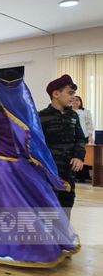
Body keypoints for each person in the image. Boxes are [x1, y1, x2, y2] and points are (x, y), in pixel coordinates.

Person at [0, 70, 79, 267]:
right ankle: (42, 247)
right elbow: (34, 141)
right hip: (21, 165)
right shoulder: (25, 110)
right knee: (32, 203)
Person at [39, 74, 85, 219]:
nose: (73, 97)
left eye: (74, 94)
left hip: (69, 170)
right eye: (70, 93)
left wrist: (79, 156)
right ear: (56, 94)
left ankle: (63, 231)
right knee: (47, 204)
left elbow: (80, 138)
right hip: (49, 169)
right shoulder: (40, 117)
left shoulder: (73, 116)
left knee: (67, 201)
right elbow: (36, 144)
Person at [73, 95, 94, 182]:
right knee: (73, 156)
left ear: (80, 102)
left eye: (77, 100)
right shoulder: (68, 112)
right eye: (73, 100)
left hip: (83, 137)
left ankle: (84, 176)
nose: (75, 101)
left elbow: (89, 124)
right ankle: (75, 176)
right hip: (72, 137)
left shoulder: (85, 112)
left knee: (83, 156)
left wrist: (90, 136)